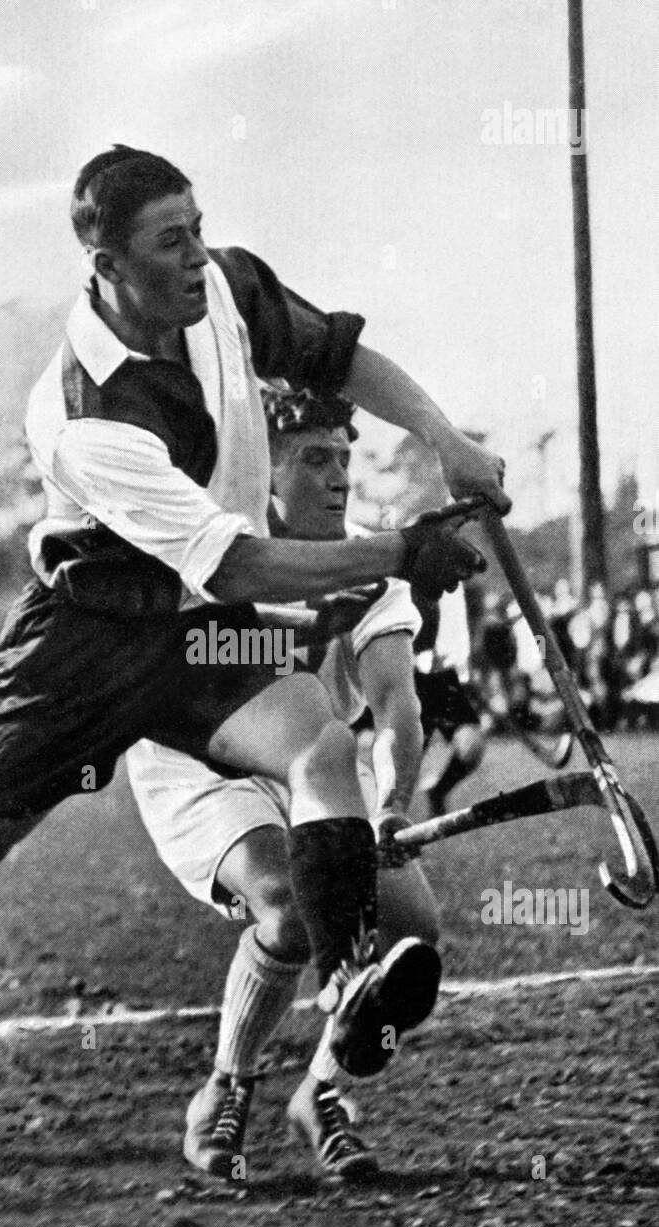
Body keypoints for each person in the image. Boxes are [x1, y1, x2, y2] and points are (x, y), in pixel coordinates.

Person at [0, 145, 506, 1080]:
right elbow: (236, 564)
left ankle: (350, 972)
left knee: (318, 747)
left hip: (190, 628)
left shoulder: (223, 290)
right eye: (169, 242)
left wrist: (444, 437)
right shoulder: (84, 413)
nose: (198, 256)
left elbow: (338, 356)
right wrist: (399, 553)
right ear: (106, 268)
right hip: (86, 638)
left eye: (198, 229)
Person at [127, 387, 439, 1179]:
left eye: (345, 458)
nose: (338, 477)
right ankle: (227, 1086)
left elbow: (397, 704)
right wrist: (306, 623)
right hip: (200, 762)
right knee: (285, 903)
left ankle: (322, 1093)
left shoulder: (372, 561)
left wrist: (396, 804)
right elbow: (197, 665)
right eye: (313, 459)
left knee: (412, 927)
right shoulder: (215, 553)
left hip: (321, 770)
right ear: (263, 471)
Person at [411, 587, 486, 818]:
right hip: (409, 673)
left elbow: (459, 625)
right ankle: (389, 835)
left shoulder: (460, 581)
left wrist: (466, 670)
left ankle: (438, 792)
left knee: (471, 746)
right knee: (404, 762)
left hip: (446, 675)